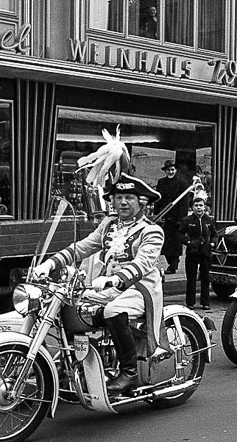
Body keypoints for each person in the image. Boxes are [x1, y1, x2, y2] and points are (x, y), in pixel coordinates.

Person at [32, 173, 169, 394]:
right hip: (107, 287)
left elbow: (143, 263)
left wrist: (115, 278)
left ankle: (129, 373)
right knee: (69, 305)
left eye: (129, 197)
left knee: (113, 311)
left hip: (140, 288)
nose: (122, 202)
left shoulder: (151, 231)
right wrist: (49, 264)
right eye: (118, 197)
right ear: (112, 201)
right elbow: (83, 247)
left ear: (141, 201)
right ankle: (71, 363)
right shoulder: (109, 225)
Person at [178, 191, 218, 310]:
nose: (199, 208)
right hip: (192, 252)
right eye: (196, 206)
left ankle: (205, 302)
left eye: (201, 205)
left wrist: (212, 243)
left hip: (206, 252)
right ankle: (190, 302)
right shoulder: (187, 220)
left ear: (204, 207)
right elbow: (180, 234)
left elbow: (215, 234)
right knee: (191, 278)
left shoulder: (209, 220)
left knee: (205, 278)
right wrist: (189, 242)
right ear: (192, 207)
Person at [155, 159, 190, 274]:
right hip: (164, 216)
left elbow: (184, 202)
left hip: (176, 218)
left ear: (175, 170)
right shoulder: (161, 182)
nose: (170, 172)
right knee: (164, 242)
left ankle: (173, 265)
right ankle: (171, 262)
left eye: (172, 170)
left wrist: (182, 219)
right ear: (165, 171)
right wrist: (157, 215)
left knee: (175, 242)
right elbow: (158, 200)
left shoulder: (182, 183)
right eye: (168, 170)